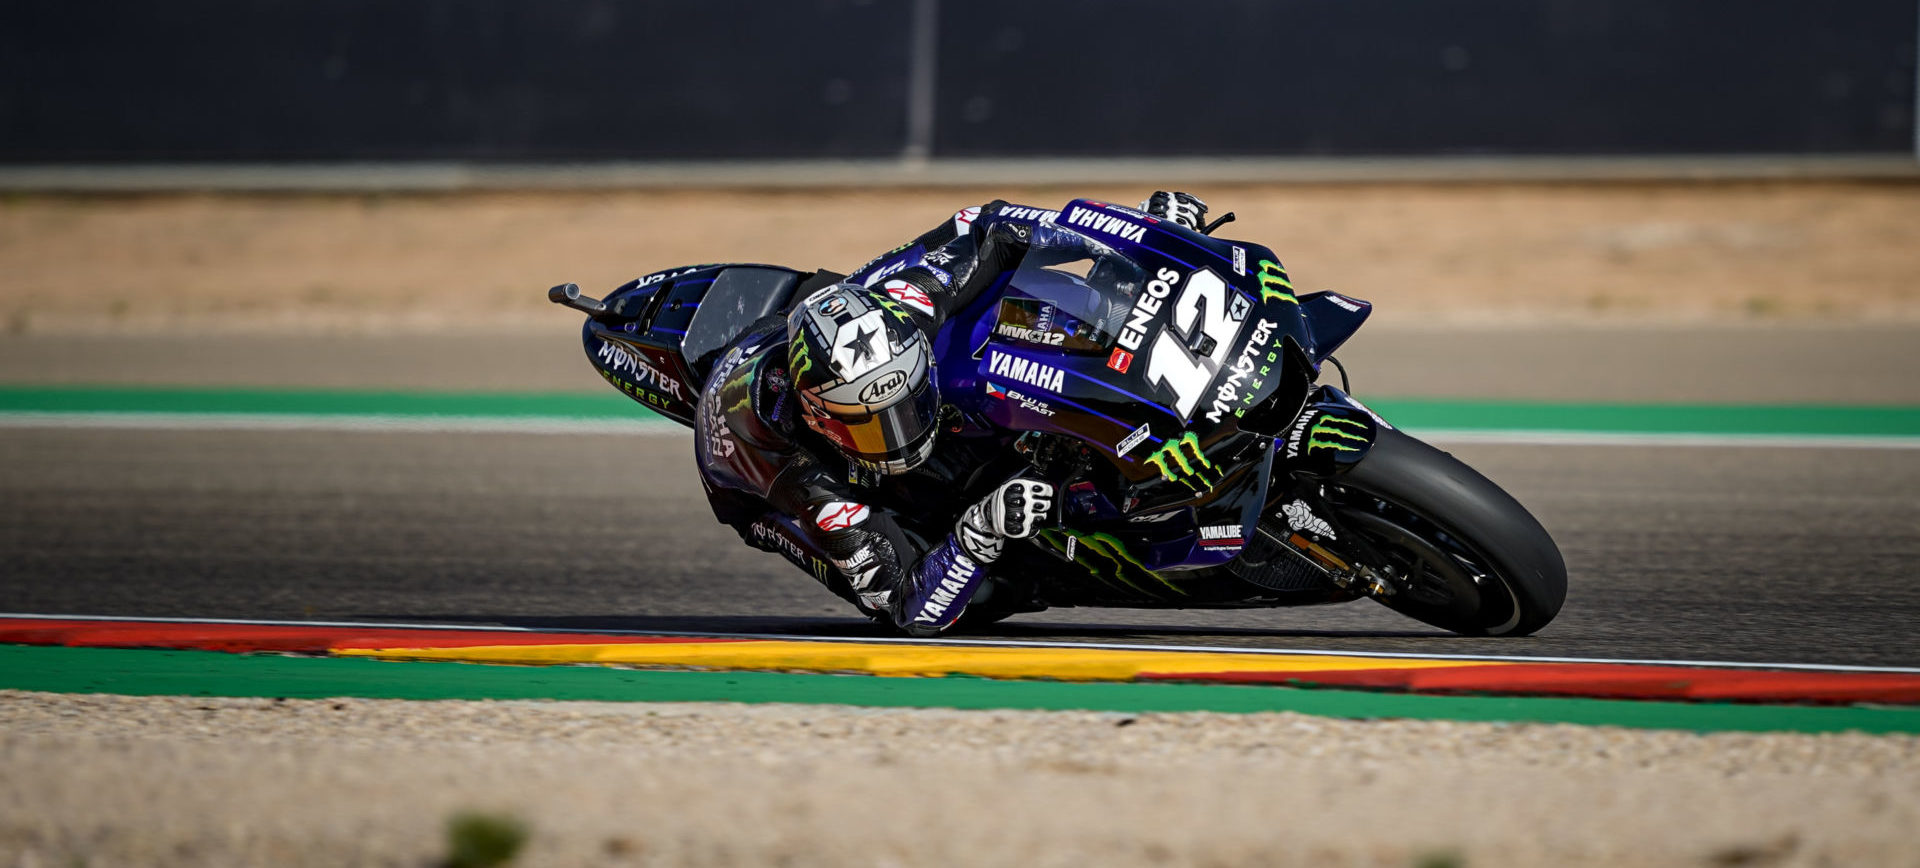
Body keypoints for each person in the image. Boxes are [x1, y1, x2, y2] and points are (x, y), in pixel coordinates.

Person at [694, 192, 1212, 635]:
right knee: (992, 591)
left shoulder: (910, 303)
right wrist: (979, 530)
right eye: (876, 424)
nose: (903, 433)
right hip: (758, 482)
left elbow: (989, 224)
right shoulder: (808, 485)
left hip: (816, 326)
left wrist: (1137, 235)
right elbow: (907, 608)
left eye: (907, 403)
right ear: (824, 421)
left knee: (1007, 314)